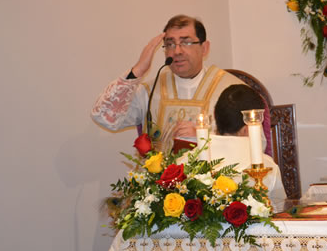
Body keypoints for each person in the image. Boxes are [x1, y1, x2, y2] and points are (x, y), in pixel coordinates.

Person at [91, 15, 244, 152]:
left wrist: (204, 138)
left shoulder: (231, 90)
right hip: (159, 182)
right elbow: (103, 116)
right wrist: (138, 70)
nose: (177, 51)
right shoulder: (150, 91)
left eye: (186, 42)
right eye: (170, 44)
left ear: (204, 48)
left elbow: (253, 145)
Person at [210, 84, 287, 204]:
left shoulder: (186, 162)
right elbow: (280, 211)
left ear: (215, 115)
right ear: (247, 128)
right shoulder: (266, 168)